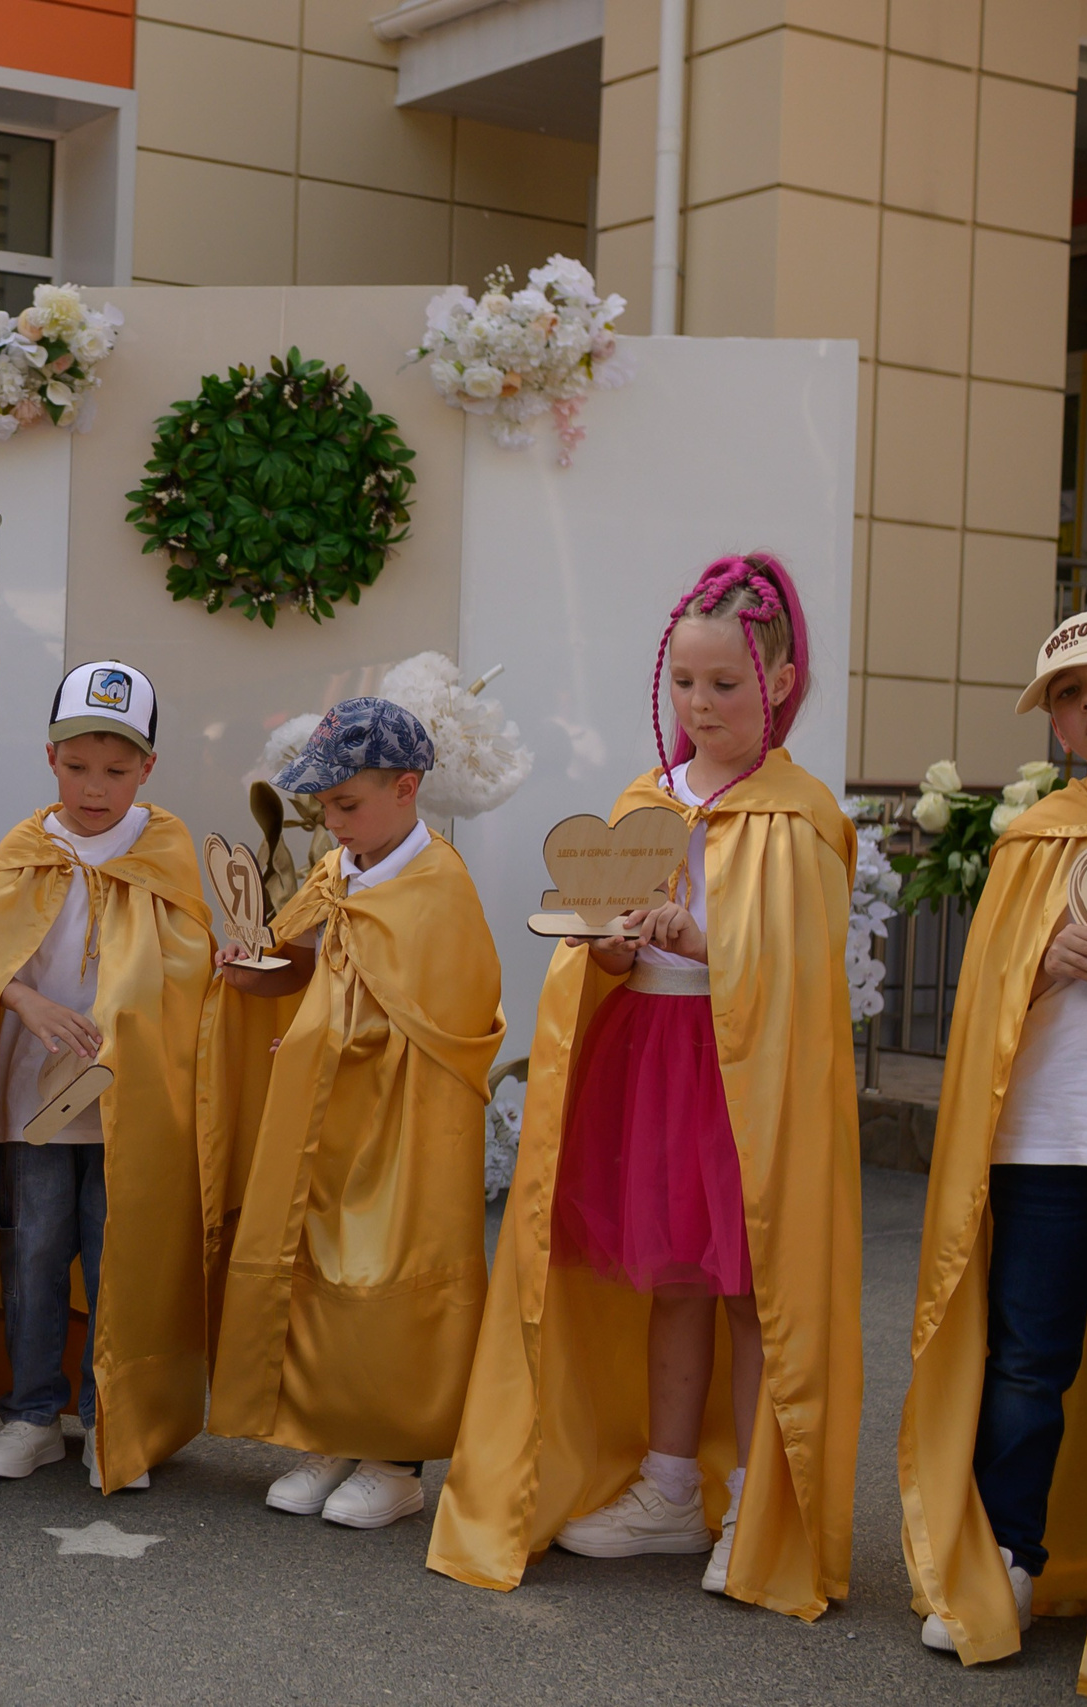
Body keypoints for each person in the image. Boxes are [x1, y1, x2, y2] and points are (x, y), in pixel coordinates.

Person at [430, 552, 861, 1619]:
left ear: (779, 684)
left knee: (756, 1291)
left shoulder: (797, 815)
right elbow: (604, 961)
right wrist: (614, 945)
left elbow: (796, 975)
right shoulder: (645, 800)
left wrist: (704, 941)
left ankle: (756, 1503)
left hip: (743, 1083)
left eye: (727, 684)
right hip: (655, 1066)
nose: (701, 704)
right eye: (684, 682)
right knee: (673, 1279)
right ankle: (671, 1488)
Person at [899, 605, 1087, 1679]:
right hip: (1045, 1145)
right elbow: (983, 1003)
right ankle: (1009, 1560)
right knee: (1025, 1364)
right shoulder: (1035, 840)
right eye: (1070, 695)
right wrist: (1037, 955)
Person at [206, 699, 504, 1529]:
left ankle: (396, 1458)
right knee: (321, 1266)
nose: (332, 824)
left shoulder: (437, 887)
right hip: (329, 1112)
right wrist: (248, 966)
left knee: (388, 1270)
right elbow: (297, 960)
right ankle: (329, 1430)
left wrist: (327, 1041)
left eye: (346, 805)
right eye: (324, 808)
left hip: (404, 1122)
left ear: (407, 789)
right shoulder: (341, 871)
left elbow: (445, 1017)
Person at [0, 661, 213, 1491]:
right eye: (76, 767)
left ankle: (115, 1416)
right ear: (48, 757)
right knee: (33, 1248)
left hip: (129, 1101)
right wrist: (26, 1002)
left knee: (120, 1252)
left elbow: (187, 970)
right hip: (36, 1097)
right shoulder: (28, 844)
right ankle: (33, 1414)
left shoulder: (165, 847)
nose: (93, 788)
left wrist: (130, 1028)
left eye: (115, 769)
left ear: (147, 768)